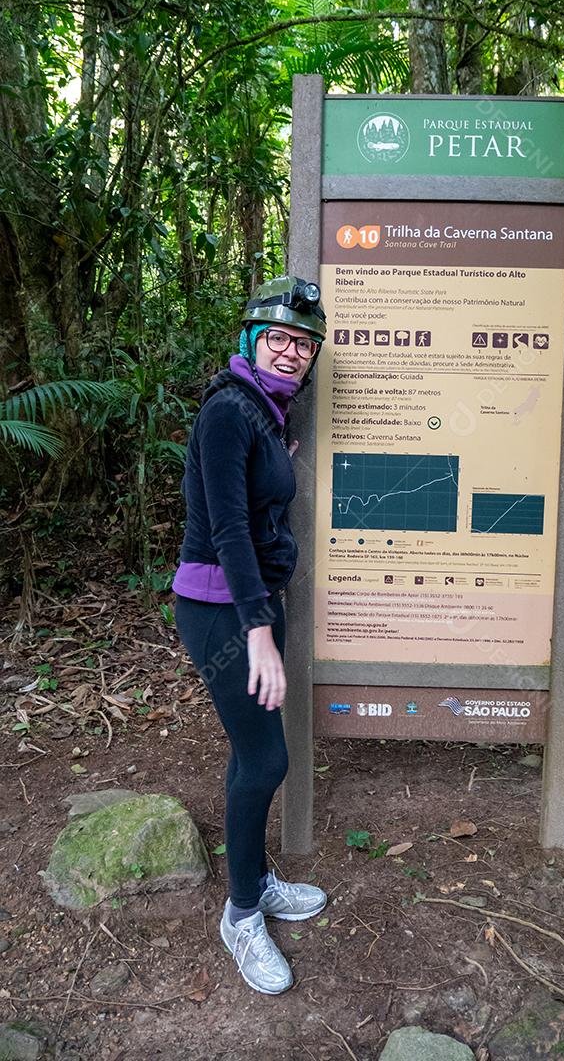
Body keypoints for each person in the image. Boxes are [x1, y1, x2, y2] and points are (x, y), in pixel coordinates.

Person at [172, 276, 328, 995]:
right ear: (249, 340)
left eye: (304, 342)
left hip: (255, 604)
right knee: (265, 762)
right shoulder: (229, 412)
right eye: (279, 337)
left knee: (254, 754)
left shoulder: (265, 412)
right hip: (225, 613)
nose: (292, 350)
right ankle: (241, 914)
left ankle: (255, 880)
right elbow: (229, 531)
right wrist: (258, 632)